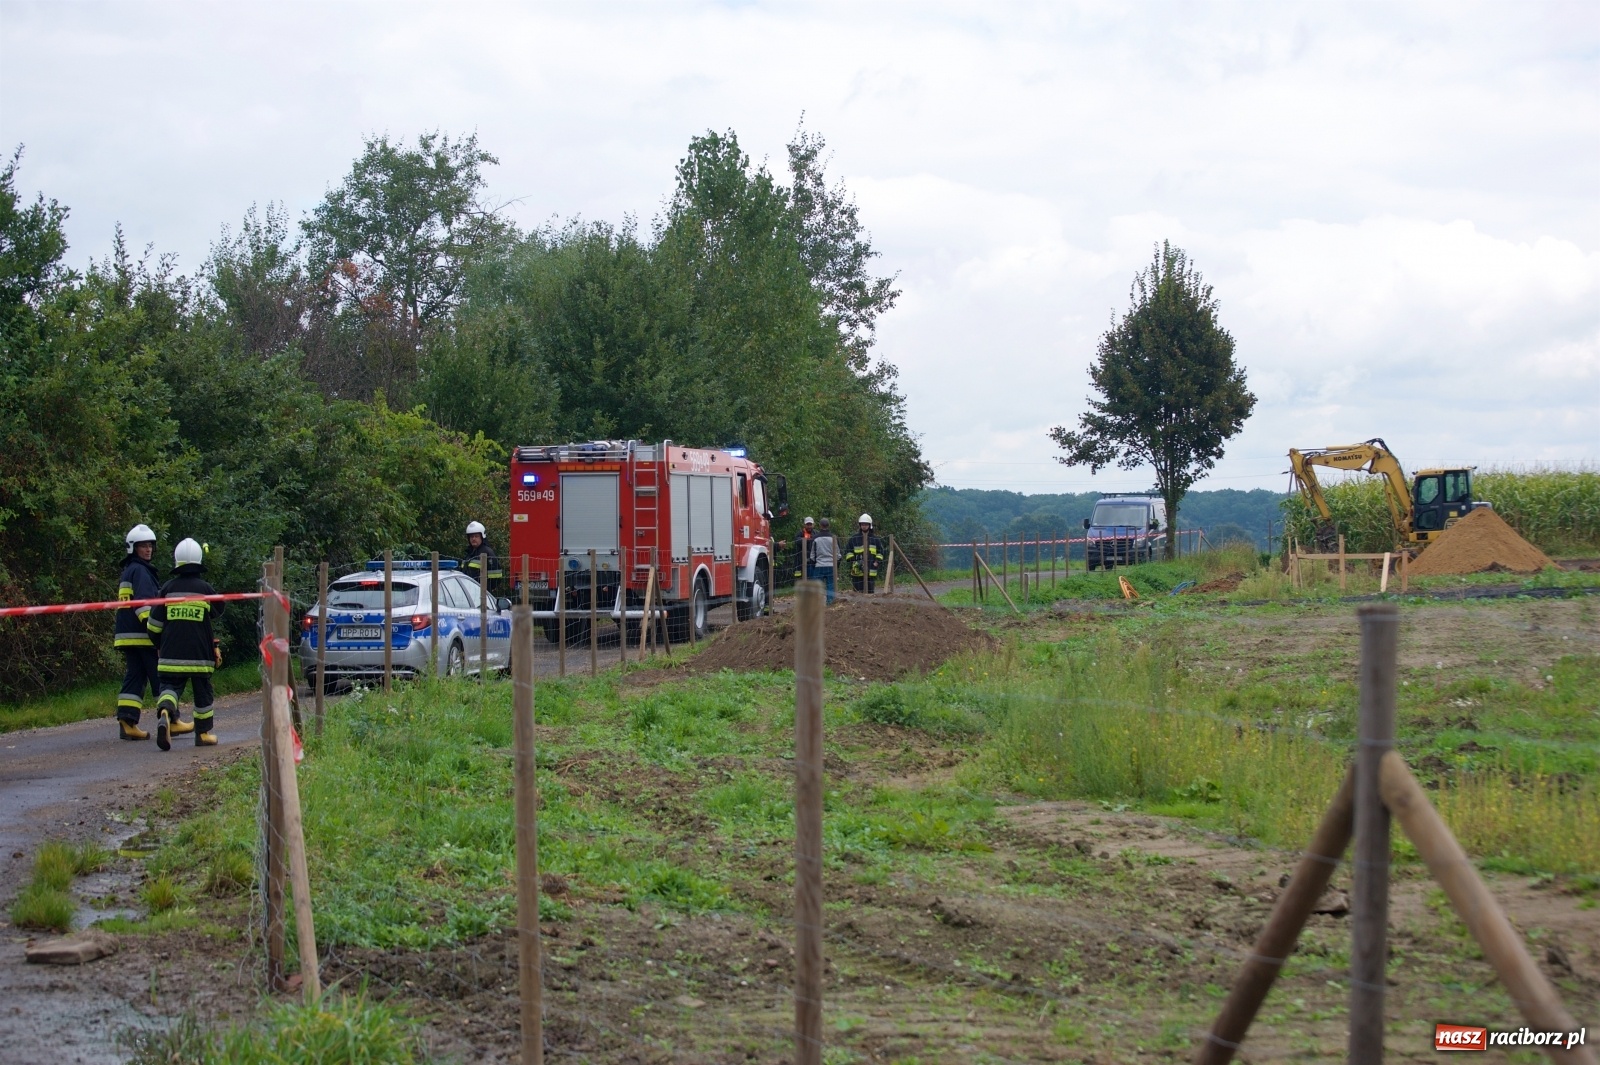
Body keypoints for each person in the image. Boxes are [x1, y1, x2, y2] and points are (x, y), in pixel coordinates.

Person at [150, 538, 224, 749]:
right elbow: (220, 609)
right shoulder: (205, 589)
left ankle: (165, 711)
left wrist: (159, 644)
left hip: (170, 654)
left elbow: (154, 625)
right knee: (203, 692)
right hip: (200, 655)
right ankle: (202, 734)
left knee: (170, 687)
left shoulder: (167, 589)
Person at [114, 524, 179, 742]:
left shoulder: (130, 570)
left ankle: (127, 721)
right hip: (142, 635)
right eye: (143, 546)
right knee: (160, 675)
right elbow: (143, 607)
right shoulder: (141, 571)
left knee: (135, 675)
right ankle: (171, 719)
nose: (148, 549)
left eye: (150, 545)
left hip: (128, 635)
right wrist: (158, 634)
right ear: (133, 548)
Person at [842, 513, 885, 594]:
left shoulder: (875, 539)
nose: (864, 526)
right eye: (862, 524)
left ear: (869, 525)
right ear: (860, 525)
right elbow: (847, 551)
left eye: (866, 524)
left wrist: (877, 561)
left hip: (870, 569)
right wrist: (853, 561)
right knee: (857, 592)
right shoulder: (854, 538)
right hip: (857, 570)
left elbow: (881, 552)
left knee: (870, 592)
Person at [463, 520, 503, 593]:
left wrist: (487, 589)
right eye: (471, 536)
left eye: (476, 536)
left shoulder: (487, 552)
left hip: (482, 593)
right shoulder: (468, 553)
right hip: (468, 592)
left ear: (482, 537)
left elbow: (496, 576)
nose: (473, 539)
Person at [811, 518, 838, 605]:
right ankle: (830, 603)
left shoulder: (815, 538)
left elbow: (812, 555)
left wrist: (813, 563)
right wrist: (836, 564)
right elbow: (838, 554)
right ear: (829, 525)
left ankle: (816, 604)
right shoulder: (833, 538)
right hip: (831, 565)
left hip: (819, 565)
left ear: (820, 525)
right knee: (830, 585)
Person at [791, 516, 817, 581]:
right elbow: (797, 540)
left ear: (813, 525)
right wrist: (807, 540)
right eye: (807, 524)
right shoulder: (800, 533)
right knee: (800, 580)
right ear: (804, 525)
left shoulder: (816, 533)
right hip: (800, 562)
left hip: (812, 561)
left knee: (812, 579)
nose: (809, 526)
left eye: (810, 524)